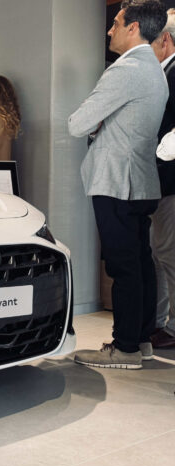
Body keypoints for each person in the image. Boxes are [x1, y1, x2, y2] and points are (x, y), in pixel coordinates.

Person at [69, 0, 168, 369]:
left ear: (133, 27)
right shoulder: (155, 69)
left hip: (116, 180)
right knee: (140, 262)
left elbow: (77, 124)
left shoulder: (125, 69)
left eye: (115, 23)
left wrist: (98, 121)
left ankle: (124, 347)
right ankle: (140, 340)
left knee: (123, 265)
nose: (109, 30)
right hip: (140, 179)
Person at [149, 8, 175, 349]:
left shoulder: (173, 73)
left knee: (169, 254)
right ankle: (161, 324)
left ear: (165, 39)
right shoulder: (165, 72)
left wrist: (160, 153)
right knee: (161, 254)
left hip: (170, 180)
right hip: (163, 182)